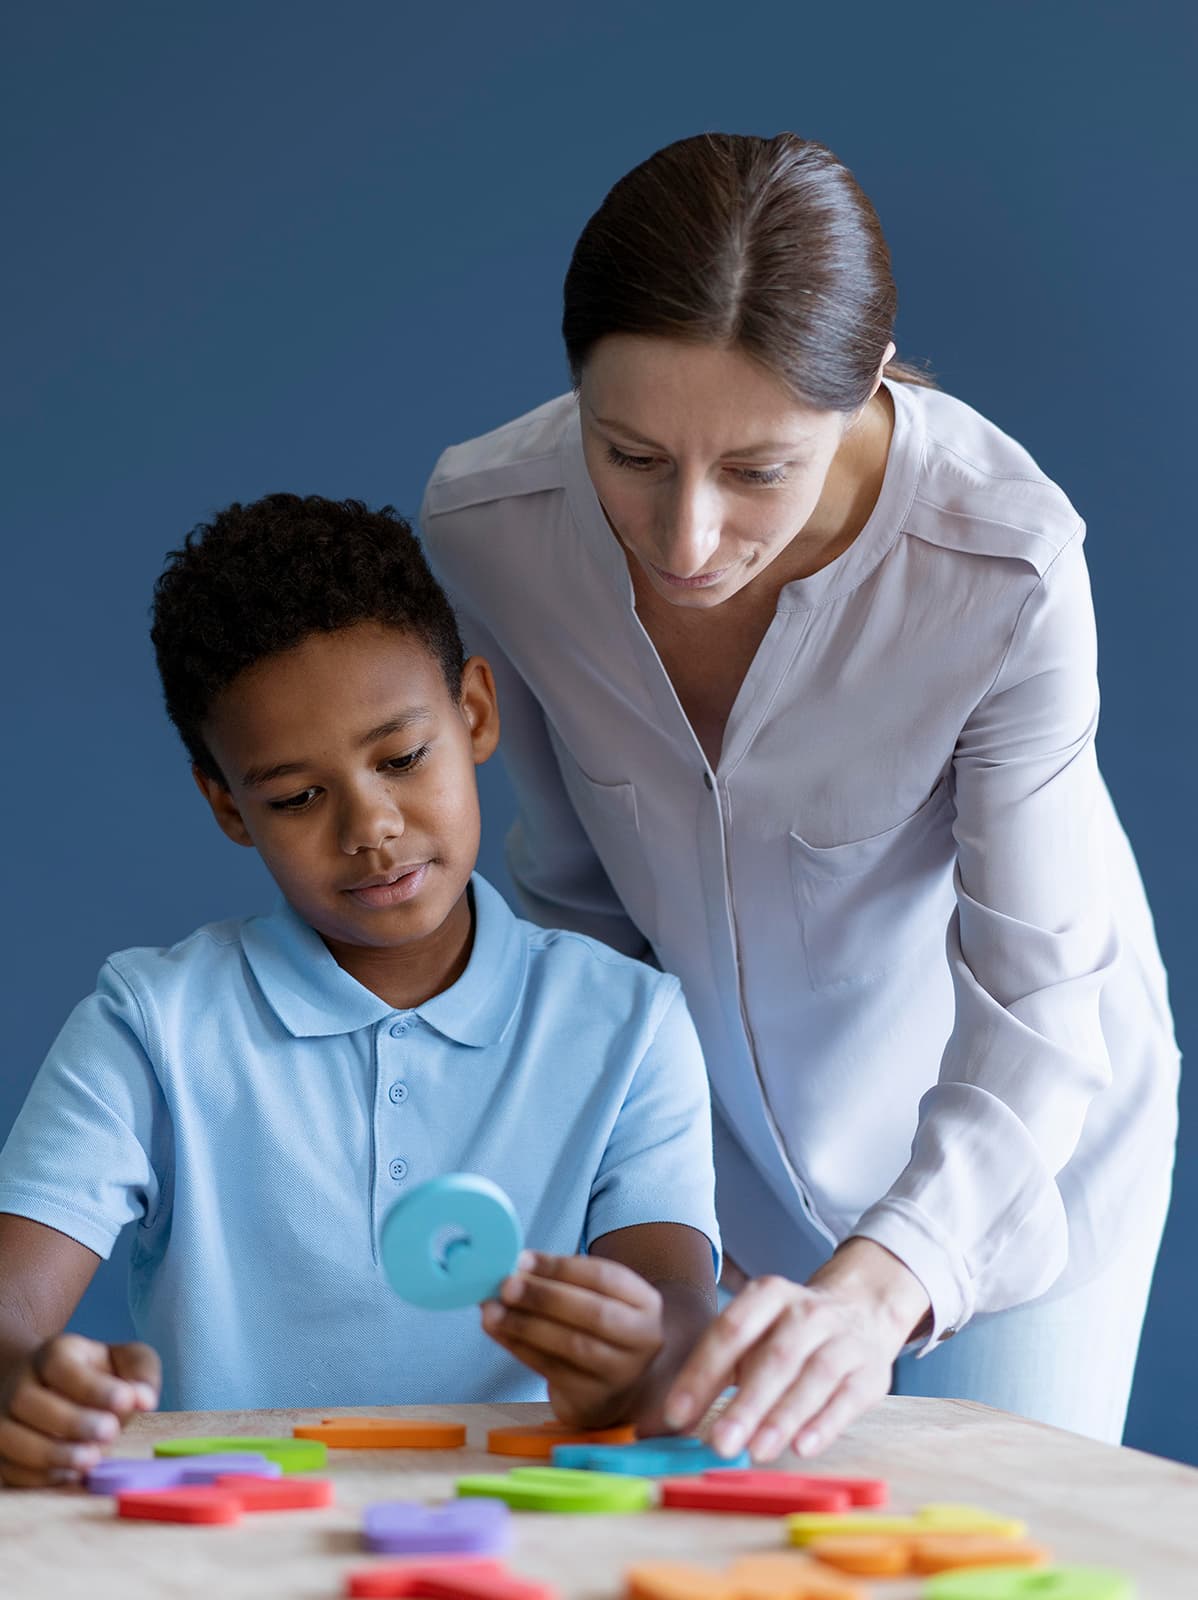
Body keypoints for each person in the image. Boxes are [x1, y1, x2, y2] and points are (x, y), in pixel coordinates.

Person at [421, 132, 1180, 1460]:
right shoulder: (489, 527)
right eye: (631, 456)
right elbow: (577, 908)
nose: (685, 540)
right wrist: (627, 1205)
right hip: (698, 1171)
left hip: (1009, 1149)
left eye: (758, 469)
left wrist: (885, 1278)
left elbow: (1038, 998)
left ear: (866, 388)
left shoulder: (1003, 565)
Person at [0, 494, 718, 1489]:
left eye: (401, 757)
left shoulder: (629, 1025)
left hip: (520, 1535)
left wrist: (646, 1346)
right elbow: (10, 1307)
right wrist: (23, 1382)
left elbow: (677, 1301)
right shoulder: (149, 1024)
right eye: (297, 796)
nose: (370, 826)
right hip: (223, 1547)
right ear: (229, 806)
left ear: (472, 712)